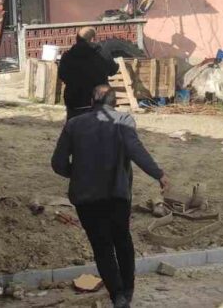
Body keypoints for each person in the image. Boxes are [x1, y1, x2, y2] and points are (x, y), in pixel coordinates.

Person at [51, 84, 168, 308]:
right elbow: (135, 149)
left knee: (102, 246)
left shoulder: (74, 124)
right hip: (117, 195)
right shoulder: (123, 120)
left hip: (85, 197)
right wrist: (158, 174)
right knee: (122, 240)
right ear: (115, 103)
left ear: (91, 101)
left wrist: (77, 173)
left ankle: (117, 296)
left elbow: (58, 163)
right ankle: (128, 289)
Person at [58, 27, 119, 120]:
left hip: (74, 99)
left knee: (74, 125)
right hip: (98, 98)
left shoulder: (68, 55)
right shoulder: (102, 54)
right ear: (92, 39)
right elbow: (113, 70)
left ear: (77, 39)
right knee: (99, 125)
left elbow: (61, 75)